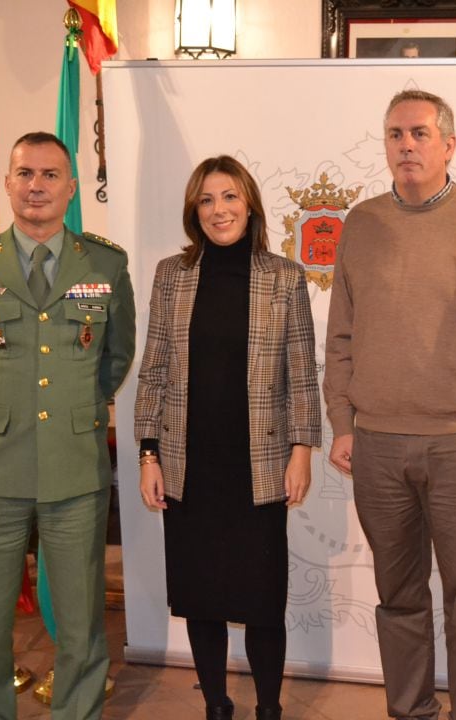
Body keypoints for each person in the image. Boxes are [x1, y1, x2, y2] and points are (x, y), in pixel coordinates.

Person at [323, 89, 456, 720]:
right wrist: (341, 422)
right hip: (377, 445)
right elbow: (341, 335)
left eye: (418, 133)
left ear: (448, 145)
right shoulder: (360, 223)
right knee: (399, 595)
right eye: (394, 135)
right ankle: (409, 710)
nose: (406, 145)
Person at [0, 131, 136, 719]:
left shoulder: (105, 262)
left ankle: (77, 711)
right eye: (25, 173)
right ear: (8, 183)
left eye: (50, 174)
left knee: (80, 614)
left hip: (75, 464)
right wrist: (3, 403)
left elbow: (116, 356)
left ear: (71, 188)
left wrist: (78, 407)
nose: (37, 186)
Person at [134, 155, 321, 720]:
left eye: (230, 197)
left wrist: (302, 450)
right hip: (190, 465)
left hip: (259, 465)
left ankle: (268, 708)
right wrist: (148, 453)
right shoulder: (172, 273)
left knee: (262, 601)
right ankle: (217, 705)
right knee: (202, 597)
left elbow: (302, 373)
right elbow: (154, 368)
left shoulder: (284, 276)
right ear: (195, 211)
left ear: (250, 204)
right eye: (207, 200)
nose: (220, 210)